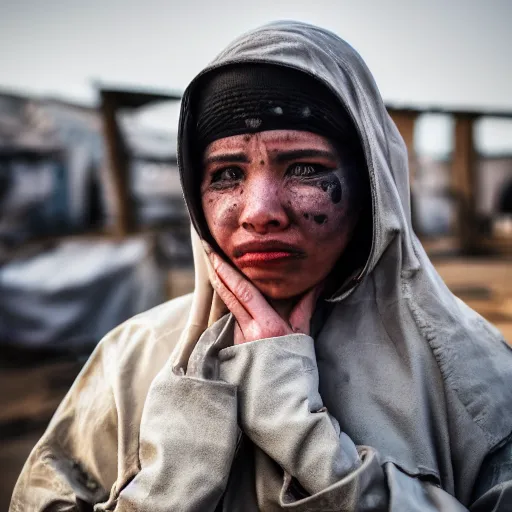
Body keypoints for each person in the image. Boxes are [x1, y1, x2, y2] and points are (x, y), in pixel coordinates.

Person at [11, 21, 512, 511]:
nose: (259, 212)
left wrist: (307, 442)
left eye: (306, 168)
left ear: (371, 186)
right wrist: (173, 475)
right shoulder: (130, 359)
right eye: (226, 174)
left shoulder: (476, 385)